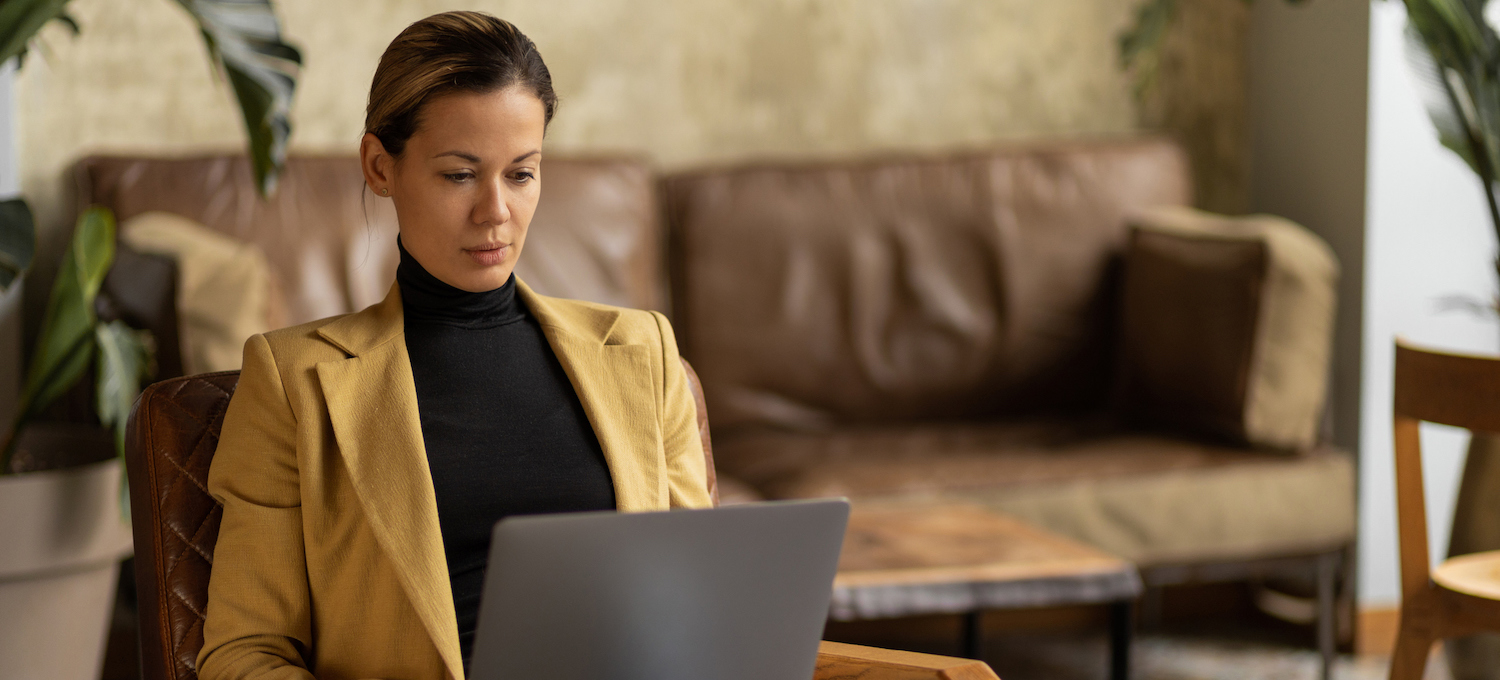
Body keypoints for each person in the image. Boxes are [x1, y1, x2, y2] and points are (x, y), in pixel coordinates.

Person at [196, 12, 713, 680]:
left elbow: (699, 615)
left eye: (521, 174)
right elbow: (244, 654)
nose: (495, 211)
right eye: (459, 175)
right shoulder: (294, 382)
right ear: (380, 166)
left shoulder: (643, 353)